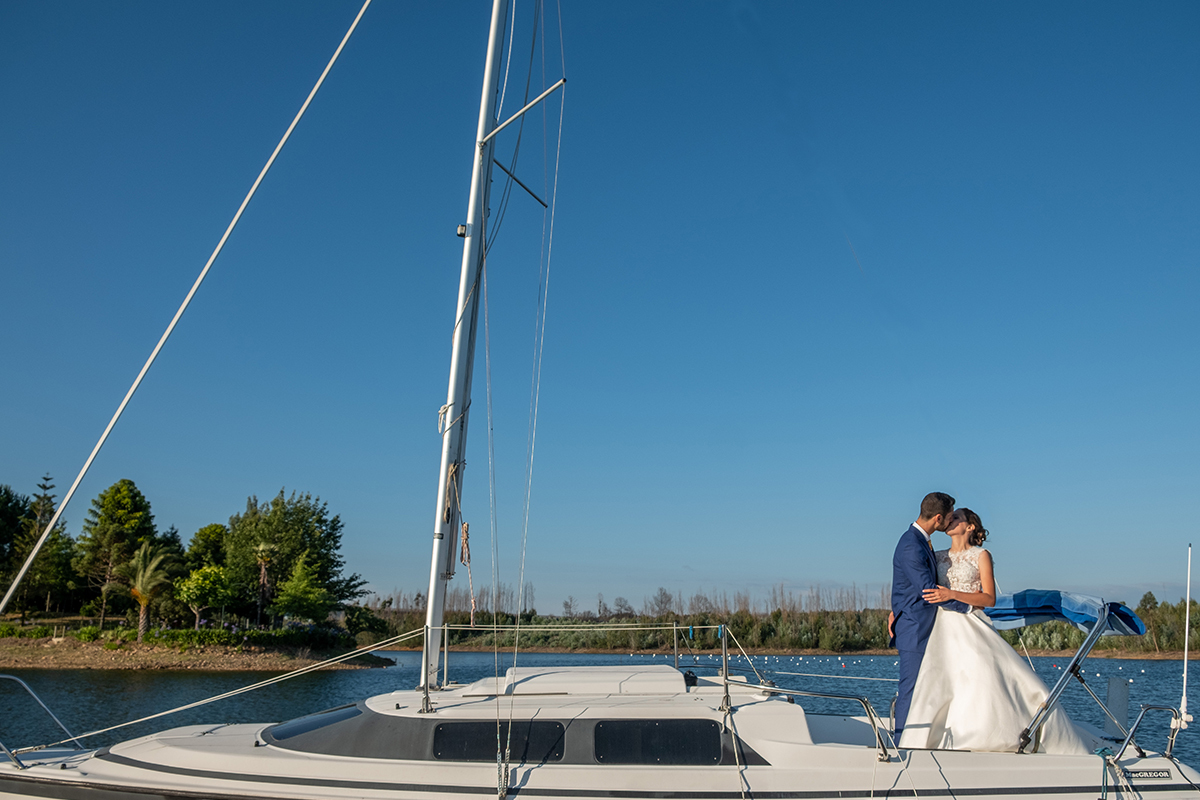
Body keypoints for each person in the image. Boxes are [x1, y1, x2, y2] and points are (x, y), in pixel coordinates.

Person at [897, 508, 1092, 754]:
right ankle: (931, 742)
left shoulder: (981, 555)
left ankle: (991, 737)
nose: (950, 520)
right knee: (939, 682)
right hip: (941, 627)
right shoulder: (935, 555)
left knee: (981, 678)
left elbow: (989, 598)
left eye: (956, 518)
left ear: (970, 527)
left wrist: (952, 594)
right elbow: (915, 585)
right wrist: (898, 609)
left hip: (970, 622)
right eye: (950, 517)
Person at [890, 492, 969, 740]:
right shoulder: (912, 545)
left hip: (927, 627)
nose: (950, 521)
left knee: (928, 688)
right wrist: (968, 607)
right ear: (938, 518)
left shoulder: (920, 540)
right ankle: (900, 745)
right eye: (948, 517)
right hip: (914, 628)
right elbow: (928, 591)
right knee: (910, 690)